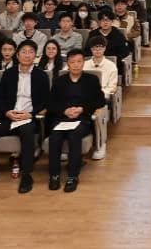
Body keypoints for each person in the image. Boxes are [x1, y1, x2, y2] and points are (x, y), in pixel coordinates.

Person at [0, 40, 50, 194]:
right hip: (9, 116)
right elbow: (0, 98)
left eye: (31, 52)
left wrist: (30, 114)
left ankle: (27, 175)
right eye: (23, 52)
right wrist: (7, 112)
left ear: (35, 55)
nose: (27, 55)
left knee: (27, 133)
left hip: (28, 118)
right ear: (17, 55)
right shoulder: (9, 74)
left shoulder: (41, 75)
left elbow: (46, 101)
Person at [47, 49, 107, 193]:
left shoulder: (91, 80)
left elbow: (100, 101)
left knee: (74, 135)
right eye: (72, 62)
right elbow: (51, 103)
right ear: (67, 64)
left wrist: (82, 109)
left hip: (82, 118)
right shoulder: (59, 81)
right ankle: (54, 175)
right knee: (55, 137)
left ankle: (73, 176)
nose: (76, 65)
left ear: (83, 63)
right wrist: (64, 111)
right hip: (62, 119)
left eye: (79, 61)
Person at [83, 36, 119, 100]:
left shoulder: (111, 66)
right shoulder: (84, 64)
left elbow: (112, 87)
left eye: (100, 47)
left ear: (104, 48)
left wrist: (100, 93)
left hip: (103, 96)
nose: (97, 50)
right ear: (91, 49)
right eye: (95, 48)